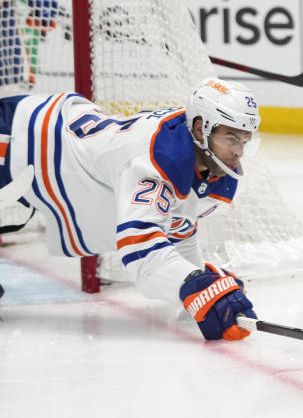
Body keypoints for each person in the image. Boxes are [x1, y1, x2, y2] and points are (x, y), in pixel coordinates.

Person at [0, 78, 260, 340]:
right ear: (201, 128)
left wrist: (201, 281)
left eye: (244, 141)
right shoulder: (160, 158)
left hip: (49, 146)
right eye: (230, 138)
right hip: (18, 138)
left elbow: (177, 227)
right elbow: (141, 254)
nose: (238, 152)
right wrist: (193, 286)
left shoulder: (207, 167)